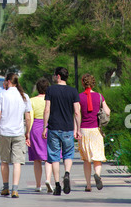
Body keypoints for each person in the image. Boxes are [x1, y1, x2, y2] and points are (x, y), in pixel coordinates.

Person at [42, 67, 81, 196]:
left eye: (54, 75)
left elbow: (47, 109)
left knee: (54, 157)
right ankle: (67, 173)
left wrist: (44, 127)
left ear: (58, 76)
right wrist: (78, 129)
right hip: (68, 128)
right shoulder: (73, 91)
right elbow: (76, 112)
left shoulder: (51, 90)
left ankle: (57, 185)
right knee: (68, 154)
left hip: (53, 127)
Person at [0, 73, 32, 198]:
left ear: (8, 81)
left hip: (4, 132)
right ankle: (15, 189)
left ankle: (5, 187)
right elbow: (28, 117)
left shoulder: (2, 95)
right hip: (18, 132)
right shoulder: (24, 96)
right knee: (17, 162)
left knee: (4, 161)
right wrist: (27, 133)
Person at [78, 73, 111, 192]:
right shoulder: (99, 96)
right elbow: (107, 111)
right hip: (96, 130)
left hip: (84, 130)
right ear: (93, 83)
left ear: (83, 83)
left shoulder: (79, 97)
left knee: (86, 159)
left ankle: (88, 185)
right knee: (97, 157)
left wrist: (76, 130)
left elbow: (77, 115)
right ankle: (97, 174)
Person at [28, 77, 53, 193]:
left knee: (37, 159)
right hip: (49, 127)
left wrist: (27, 133)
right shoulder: (51, 99)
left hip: (36, 128)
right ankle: (48, 179)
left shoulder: (32, 100)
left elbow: (30, 118)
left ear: (37, 88)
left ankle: (38, 185)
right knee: (49, 157)